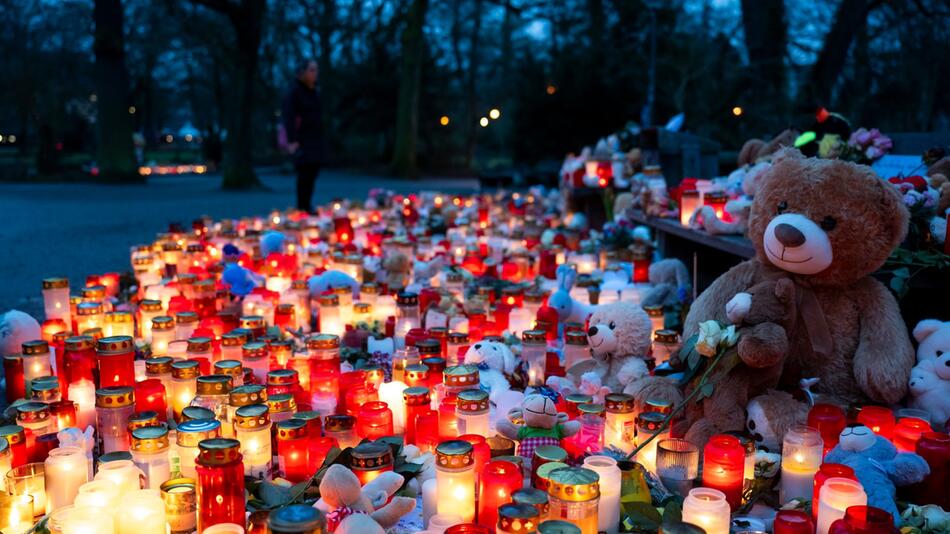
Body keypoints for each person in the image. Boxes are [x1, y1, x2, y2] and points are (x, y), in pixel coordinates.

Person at [282, 59, 324, 212]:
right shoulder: (294, 93)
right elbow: (289, 117)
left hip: (314, 139)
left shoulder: (314, 92)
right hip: (302, 140)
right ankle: (302, 207)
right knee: (304, 174)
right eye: (312, 70)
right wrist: (292, 140)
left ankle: (307, 205)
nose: (315, 73)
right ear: (302, 73)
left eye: (316, 70)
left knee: (312, 173)